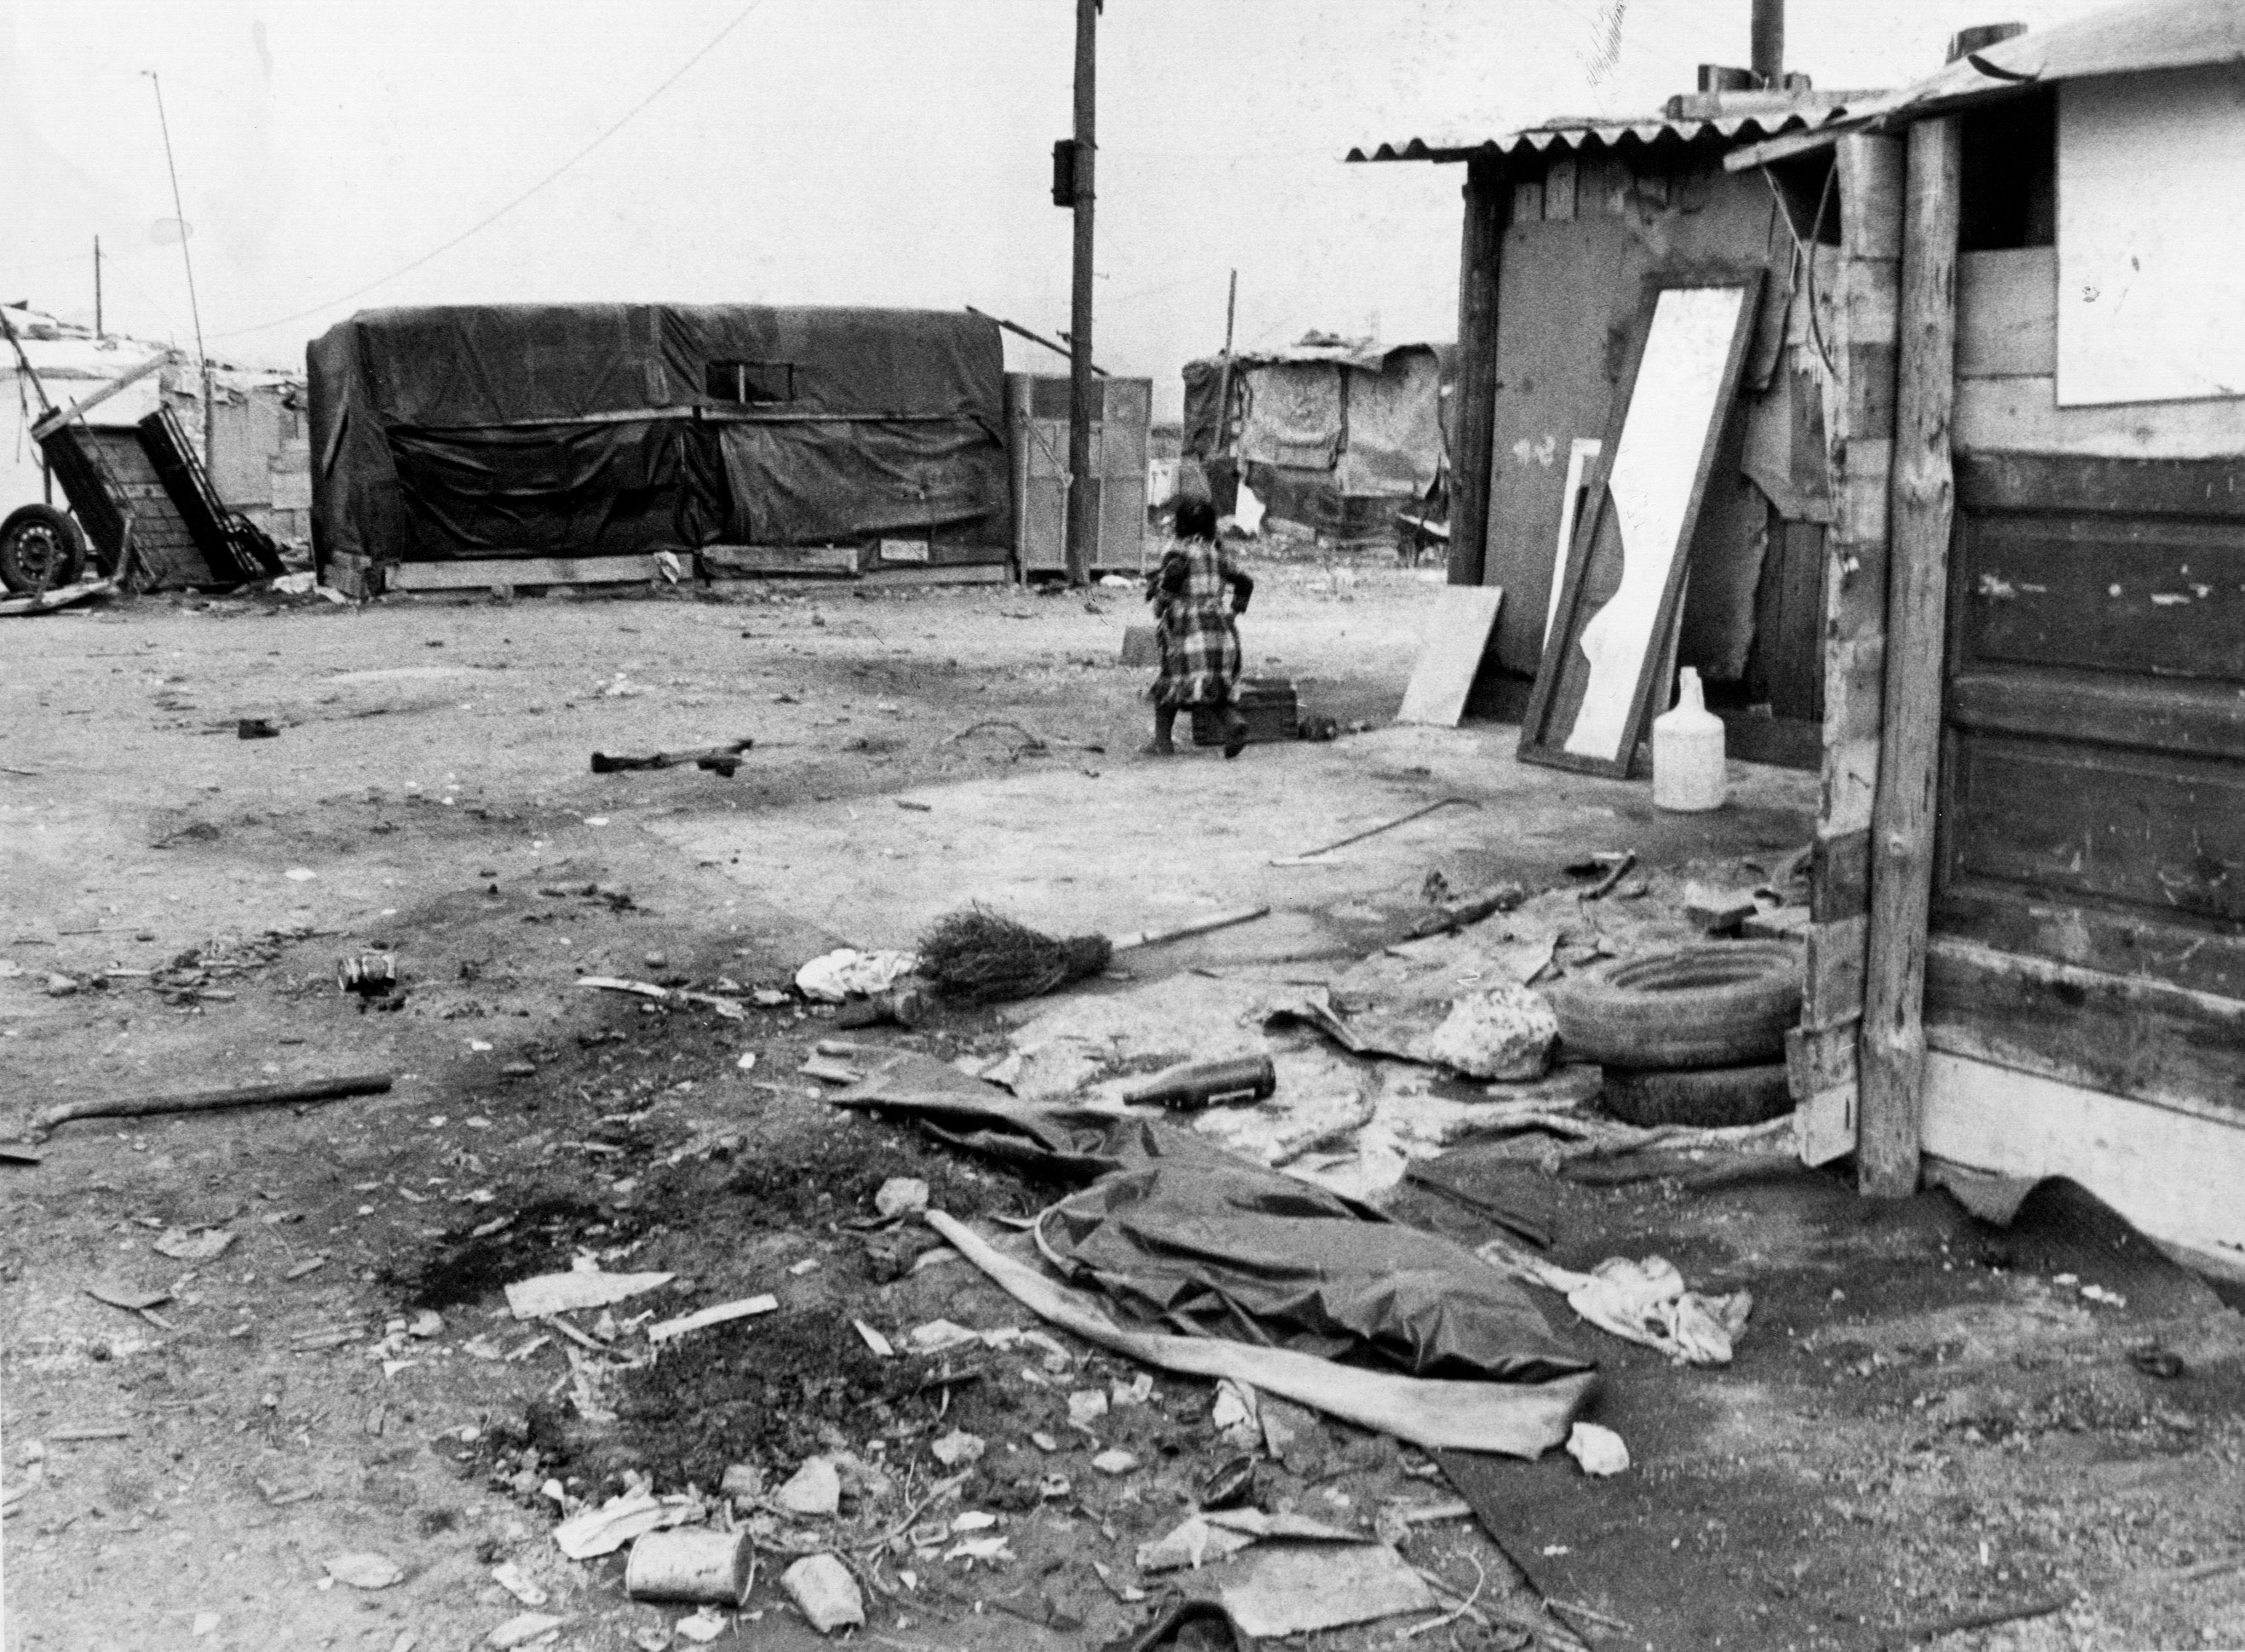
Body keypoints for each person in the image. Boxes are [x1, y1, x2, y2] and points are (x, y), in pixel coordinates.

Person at [1144, 497, 1255, 757]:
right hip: (1219, 630)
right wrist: (1234, 610)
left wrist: (1159, 606)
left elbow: (1171, 580)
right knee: (1214, 689)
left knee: (1169, 686)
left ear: (1180, 525)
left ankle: (1163, 743)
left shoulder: (1178, 552)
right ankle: (1234, 725)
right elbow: (1245, 582)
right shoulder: (1217, 553)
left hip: (1187, 631)